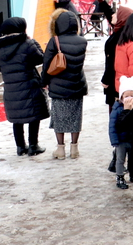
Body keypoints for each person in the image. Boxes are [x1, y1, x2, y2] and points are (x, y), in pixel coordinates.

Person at [0, 17, 49, 156]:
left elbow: (1, 69)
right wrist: (34, 42)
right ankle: (33, 145)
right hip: (29, 85)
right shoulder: (26, 43)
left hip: (11, 88)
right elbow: (40, 58)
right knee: (34, 116)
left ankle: (20, 147)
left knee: (17, 119)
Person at [42, 9, 88, 160]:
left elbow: (47, 64)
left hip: (58, 85)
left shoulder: (54, 41)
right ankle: (74, 148)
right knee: (76, 117)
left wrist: (44, 82)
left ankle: (60, 150)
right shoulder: (82, 41)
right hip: (77, 84)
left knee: (59, 117)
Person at [109, 75, 133, 190]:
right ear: (121, 97)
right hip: (121, 140)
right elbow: (112, 126)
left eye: (132, 95)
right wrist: (114, 140)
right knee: (120, 159)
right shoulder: (117, 109)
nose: (129, 98)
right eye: (126, 96)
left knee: (132, 158)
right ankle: (120, 176)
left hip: (132, 139)